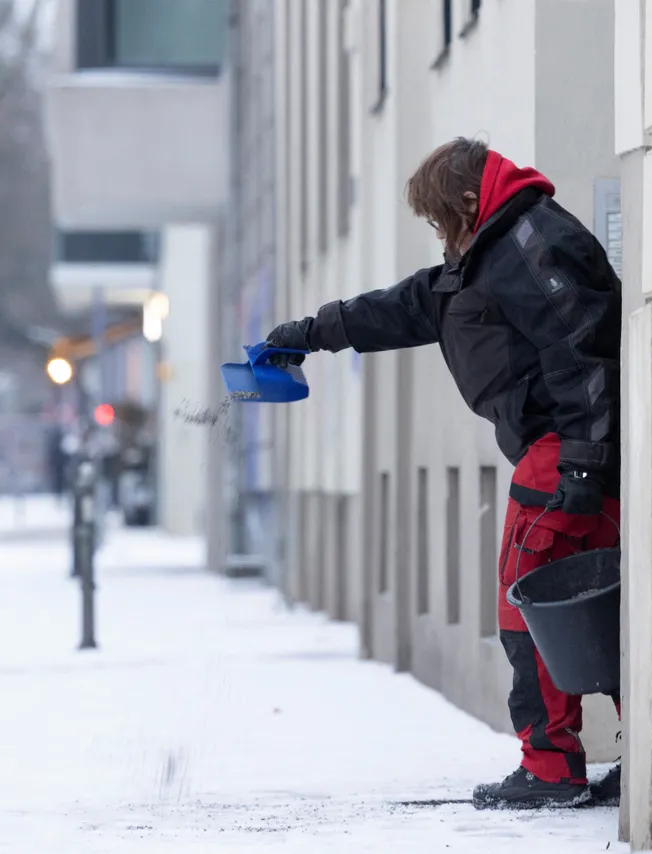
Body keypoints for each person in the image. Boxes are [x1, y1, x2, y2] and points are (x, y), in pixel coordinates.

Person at [265, 137, 622, 810]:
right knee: (595, 608)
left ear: (466, 202)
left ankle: (550, 769)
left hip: (566, 453)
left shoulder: (530, 243)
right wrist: (310, 333)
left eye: (438, 219)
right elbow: (407, 306)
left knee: (530, 608)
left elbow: (587, 353)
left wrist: (581, 464)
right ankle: (625, 750)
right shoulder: (485, 253)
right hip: (571, 452)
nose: (438, 234)